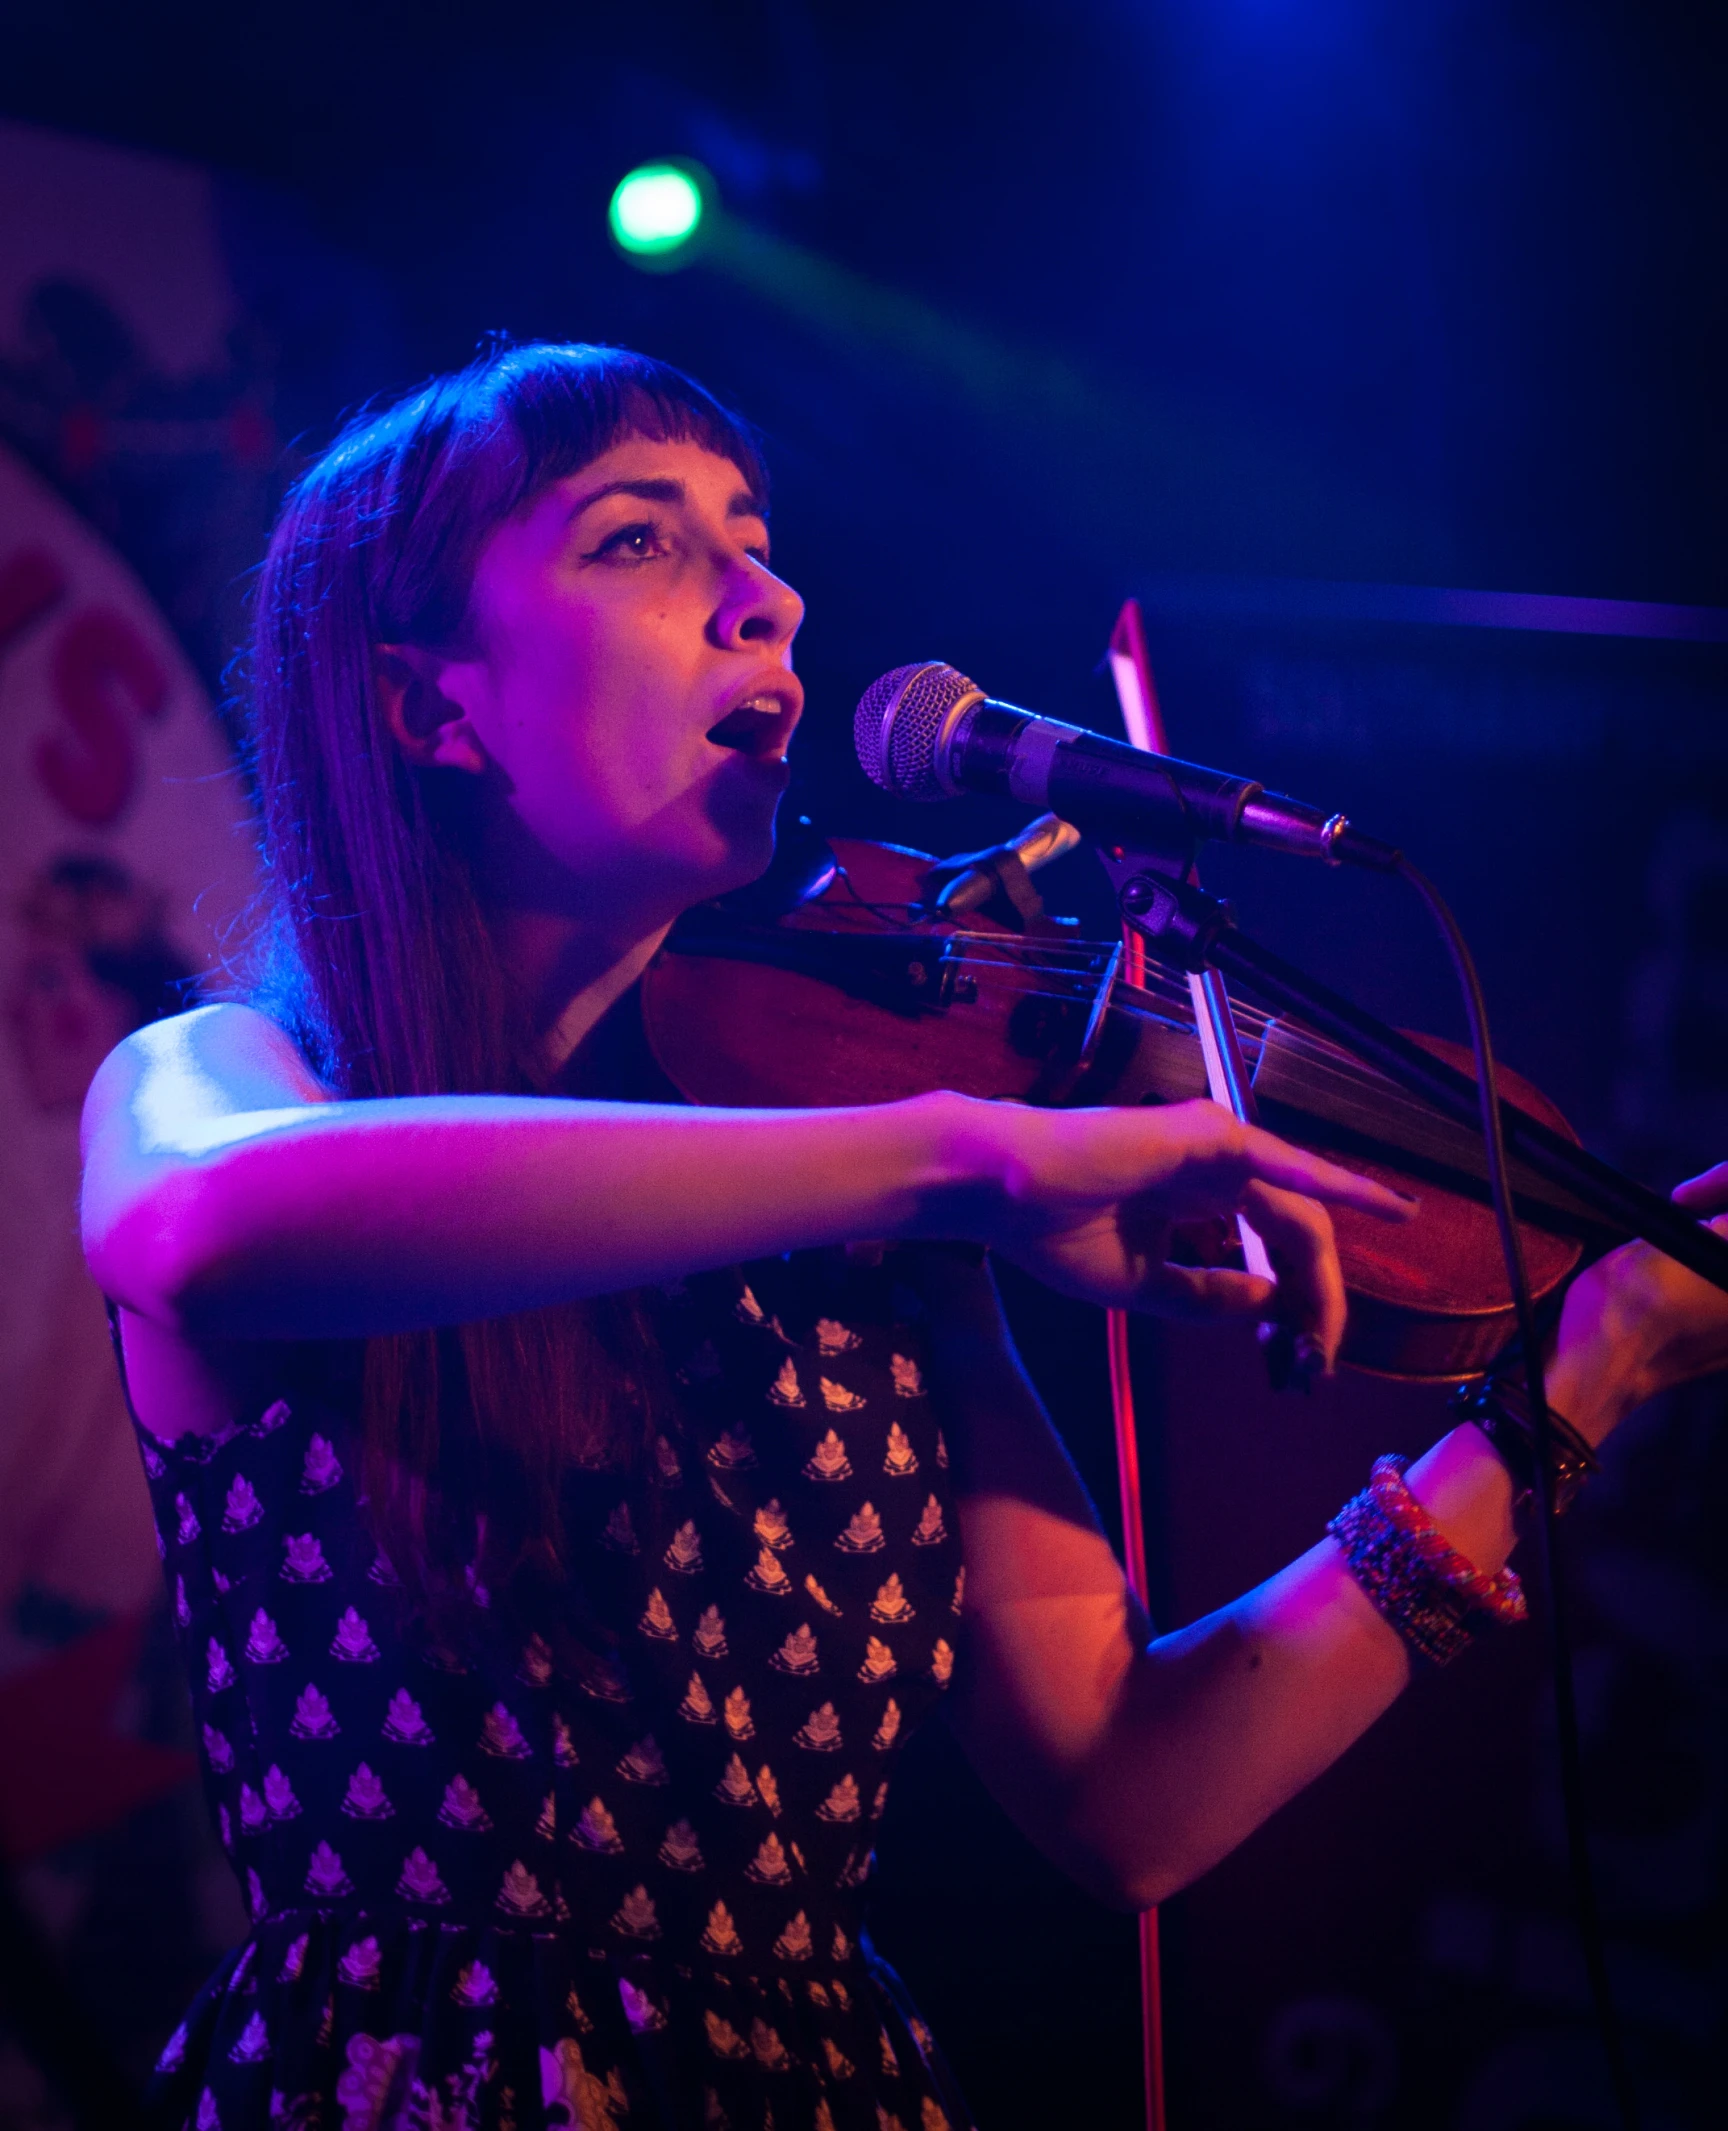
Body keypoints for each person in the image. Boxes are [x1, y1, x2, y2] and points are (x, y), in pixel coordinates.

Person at [77, 343, 1728, 2131]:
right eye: (639, 542)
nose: (766, 596)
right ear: (430, 706)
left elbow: (1132, 1796)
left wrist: (1583, 1370)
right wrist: (958, 1154)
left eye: (757, 537)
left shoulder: (873, 1223)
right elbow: (200, 1225)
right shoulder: (233, 1077)